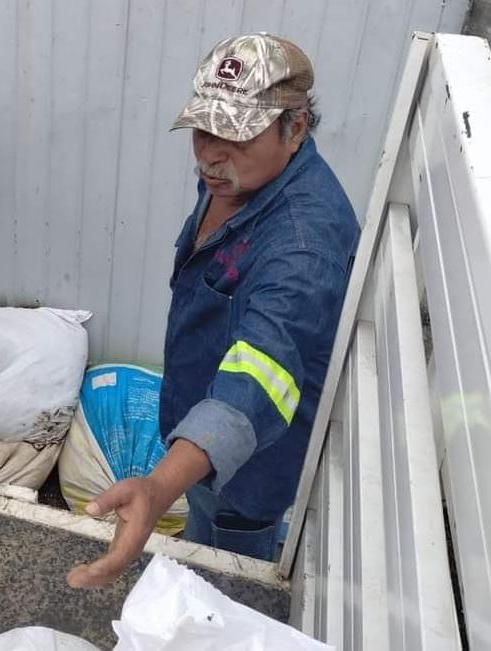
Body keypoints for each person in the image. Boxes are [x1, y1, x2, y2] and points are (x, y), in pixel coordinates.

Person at [68, 34, 360, 588]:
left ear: (294, 129)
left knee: (224, 585)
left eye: (236, 135)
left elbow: (261, 370)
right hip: (198, 434)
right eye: (204, 129)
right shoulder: (239, 178)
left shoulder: (303, 244)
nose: (209, 154)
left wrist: (158, 487)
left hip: (244, 471)